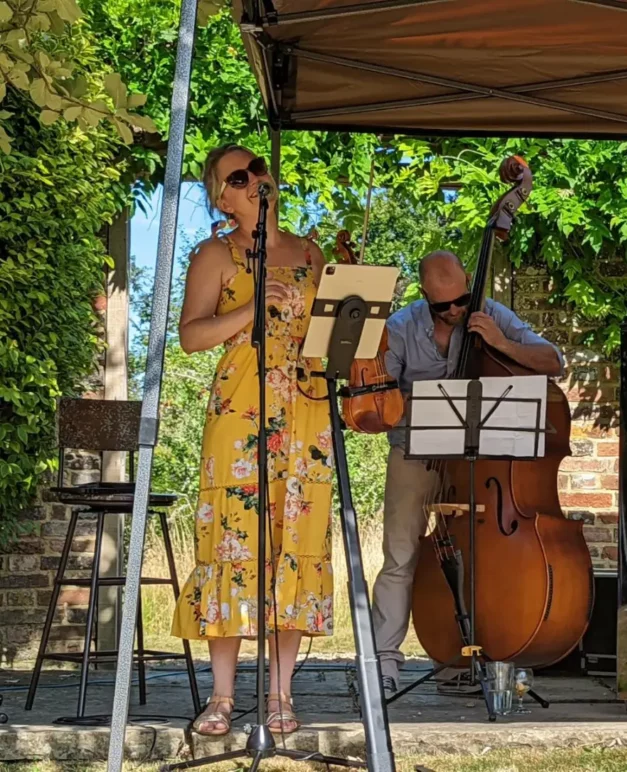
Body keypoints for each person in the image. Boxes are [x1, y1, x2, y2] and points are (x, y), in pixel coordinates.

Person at [170, 144, 334, 736]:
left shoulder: (312, 252)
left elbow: (332, 337)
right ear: (222, 195)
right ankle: (221, 697)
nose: (255, 179)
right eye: (240, 176)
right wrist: (250, 311)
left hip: (306, 412)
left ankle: (281, 695)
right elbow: (191, 337)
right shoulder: (214, 254)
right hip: (240, 413)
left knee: (295, 541)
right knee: (234, 547)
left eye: (258, 169)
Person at [374, 250, 565, 695]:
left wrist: (501, 343)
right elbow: (383, 405)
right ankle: (384, 663)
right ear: (425, 298)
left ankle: (462, 657)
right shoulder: (400, 329)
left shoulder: (488, 312)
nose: (457, 312)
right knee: (400, 555)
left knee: (478, 557)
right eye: (445, 307)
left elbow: (552, 360)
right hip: (415, 453)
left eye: (462, 300)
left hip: (481, 462)